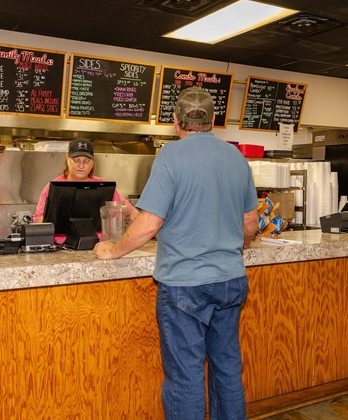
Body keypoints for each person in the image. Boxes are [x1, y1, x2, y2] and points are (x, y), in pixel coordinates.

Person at [94, 87, 258, 419]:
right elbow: (250, 222)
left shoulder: (170, 156)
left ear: (175, 122)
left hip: (185, 286)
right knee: (227, 368)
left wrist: (114, 250)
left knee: (185, 377)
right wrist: (236, 244)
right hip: (230, 280)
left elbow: (149, 223)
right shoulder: (236, 158)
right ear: (214, 121)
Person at [33, 138, 137, 223]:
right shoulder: (54, 187)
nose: (81, 166)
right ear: (67, 158)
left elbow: (130, 212)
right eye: (76, 160)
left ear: (92, 162)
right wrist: (55, 219)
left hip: (97, 244)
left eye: (86, 161)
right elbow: (38, 220)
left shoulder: (103, 187)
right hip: (62, 245)